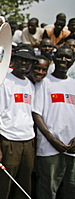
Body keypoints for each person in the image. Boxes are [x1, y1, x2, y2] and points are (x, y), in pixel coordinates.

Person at [0, 44, 37, 199]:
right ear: (13, 61)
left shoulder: (30, 84)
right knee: (3, 187)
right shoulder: (4, 82)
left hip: (28, 141)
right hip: (9, 142)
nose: (24, 64)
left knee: (23, 186)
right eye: (21, 60)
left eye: (28, 61)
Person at [32, 46, 75, 199]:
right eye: (60, 56)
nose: (64, 60)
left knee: (71, 187)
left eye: (68, 57)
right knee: (48, 189)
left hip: (72, 148)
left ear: (73, 60)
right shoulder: (44, 83)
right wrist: (52, 139)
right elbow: (36, 114)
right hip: (50, 147)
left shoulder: (73, 84)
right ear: (54, 58)